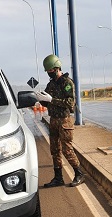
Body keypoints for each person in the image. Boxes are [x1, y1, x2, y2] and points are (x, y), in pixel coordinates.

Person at [35, 54, 84, 188]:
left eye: (50, 70)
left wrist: (52, 100)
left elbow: (70, 103)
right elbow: (47, 103)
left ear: (57, 68)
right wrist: (42, 100)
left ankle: (79, 173)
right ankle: (58, 178)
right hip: (54, 120)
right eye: (48, 71)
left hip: (64, 120)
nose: (49, 73)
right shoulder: (51, 84)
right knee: (55, 150)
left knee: (67, 149)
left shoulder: (67, 83)